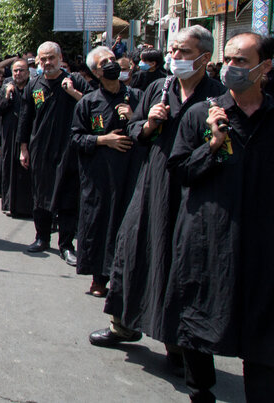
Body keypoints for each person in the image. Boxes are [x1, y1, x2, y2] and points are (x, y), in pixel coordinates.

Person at [89, 26, 224, 371]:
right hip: (151, 182)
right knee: (134, 249)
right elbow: (134, 130)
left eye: (184, 52)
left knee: (179, 265)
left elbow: (219, 147)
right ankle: (124, 324)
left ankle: (179, 344)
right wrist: (148, 124)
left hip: (193, 192)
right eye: (174, 50)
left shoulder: (216, 97)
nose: (175, 57)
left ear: (204, 58)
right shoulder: (157, 89)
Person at [165, 32, 274, 402]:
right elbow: (179, 170)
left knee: (263, 330)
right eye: (227, 60)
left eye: (241, 61)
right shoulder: (203, 114)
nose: (231, 68)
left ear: (265, 67)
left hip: (262, 243)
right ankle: (201, 391)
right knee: (198, 319)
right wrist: (212, 145)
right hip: (208, 238)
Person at [70, 47, 142, 297]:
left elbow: (149, 132)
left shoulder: (136, 97)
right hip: (99, 176)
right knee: (99, 225)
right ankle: (98, 278)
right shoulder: (88, 103)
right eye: (104, 63)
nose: (111, 65)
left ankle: (125, 280)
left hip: (131, 174)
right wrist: (103, 141)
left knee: (129, 225)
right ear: (95, 71)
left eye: (113, 60)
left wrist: (134, 119)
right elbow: (77, 138)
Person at [18, 41, 91, 258]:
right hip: (40, 149)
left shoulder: (74, 81)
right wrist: (23, 148)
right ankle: (42, 237)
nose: (47, 62)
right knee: (40, 195)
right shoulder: (34, 85)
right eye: (43, 58)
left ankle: (66, 245)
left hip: (69, 149)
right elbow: (25, 118)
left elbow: (93, 105)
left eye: (51, 58)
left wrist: (73, 93)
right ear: (38, 61)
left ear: (59, 58)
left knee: (68, 197)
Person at [0, 59, 32, 217]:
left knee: (26, 171)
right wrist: (7, 95)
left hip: (28, 136)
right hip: (9, 136)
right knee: (9, 170)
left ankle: (27, 207)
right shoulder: (6, 88)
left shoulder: (33, 87)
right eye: (15, 71)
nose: (18, 74)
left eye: (21, 70)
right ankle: (9, 204)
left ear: (28, 72)